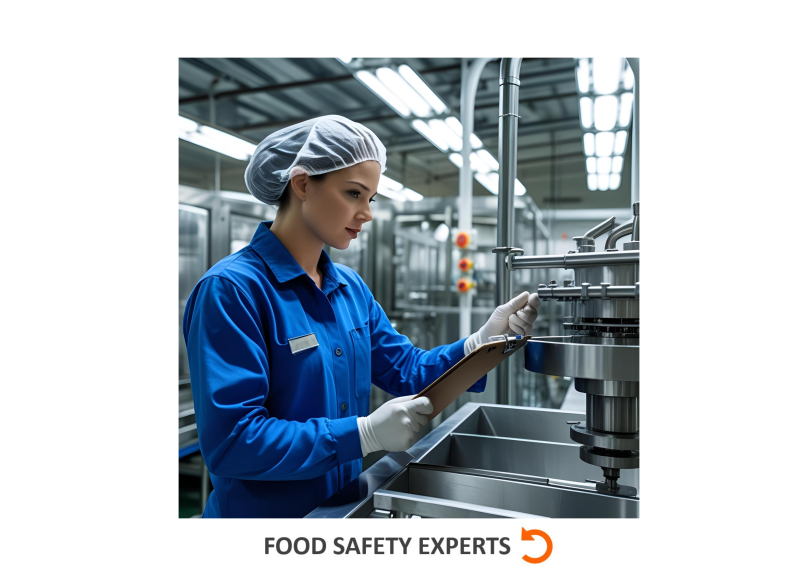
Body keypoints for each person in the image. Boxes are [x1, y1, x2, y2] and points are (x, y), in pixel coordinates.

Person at [182, 115, 541, 518]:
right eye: (354, 193)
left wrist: (481, 345)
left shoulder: (349, 288)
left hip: (342, 511)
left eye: (370, 198)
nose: (366, 213)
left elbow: (407, 370)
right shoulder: (233, 290)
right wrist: (362, 434)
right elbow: (233, 441)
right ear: (302, 184)